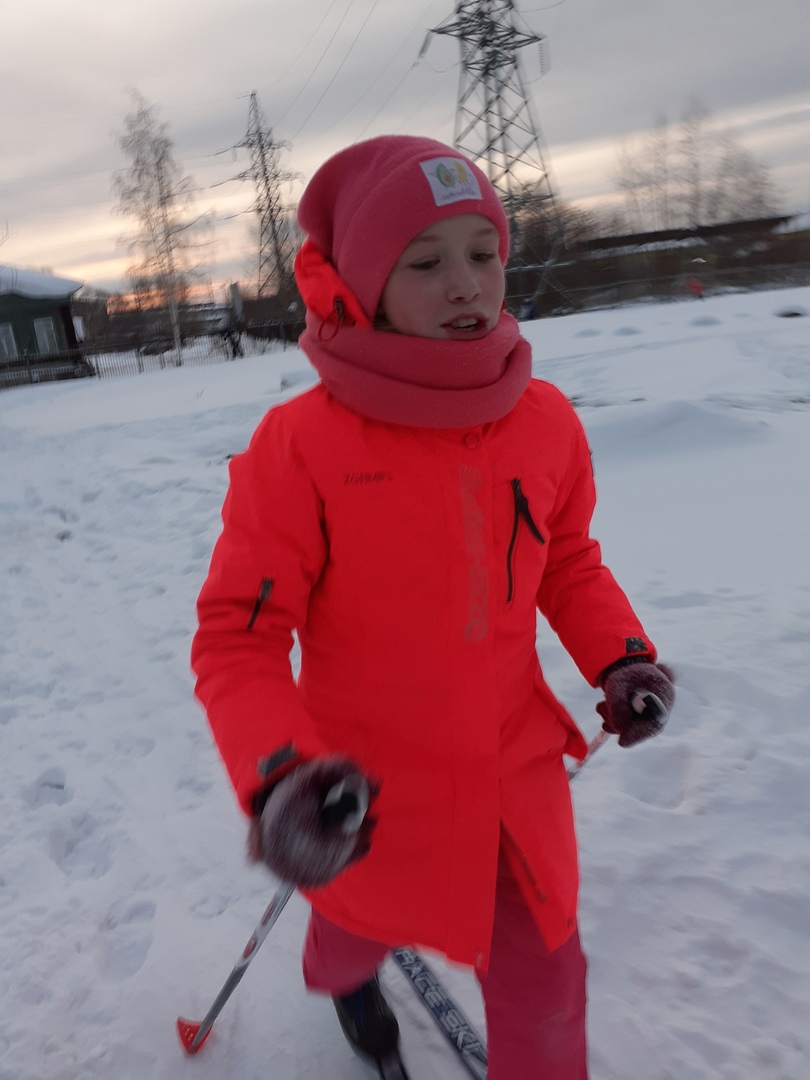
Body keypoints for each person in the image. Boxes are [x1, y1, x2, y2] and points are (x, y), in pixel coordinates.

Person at [191, 135, 675, 1080]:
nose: (466, 286)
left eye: (483, 253)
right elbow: (239, 639)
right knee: (353, 933)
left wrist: (622, 656)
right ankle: (346, 980)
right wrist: (283, 777)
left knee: (547, 980)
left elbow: (567, 560)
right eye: (425, 264)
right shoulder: (300, 446)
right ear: (363, 289)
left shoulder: (545, 420)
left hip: (514, 780)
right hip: (363, 792)